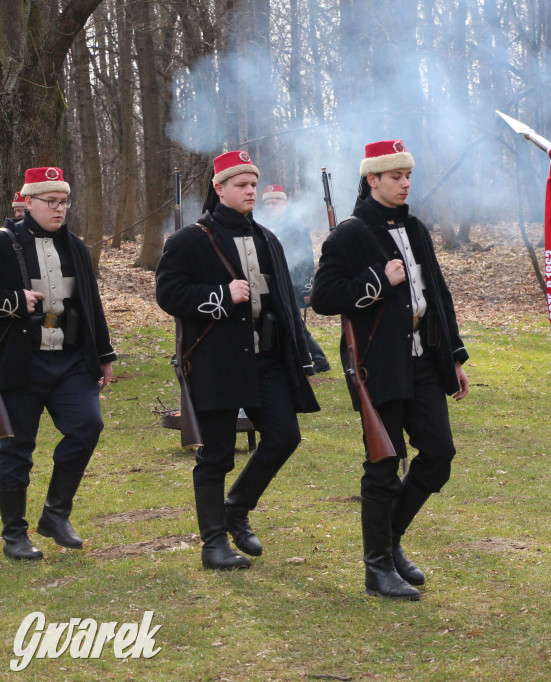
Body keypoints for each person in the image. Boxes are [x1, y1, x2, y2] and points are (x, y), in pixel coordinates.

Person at [311, 139, 469, 601]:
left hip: (424, 358)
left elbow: (437, 293)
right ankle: (377, 567)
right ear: (372, 179)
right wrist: (380, 280)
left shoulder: (415, 228)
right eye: (396, 176)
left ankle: (390, 538)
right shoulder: (349, 234)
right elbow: (323, 297)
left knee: (438, 454)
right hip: (377, 363)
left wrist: (454, 355)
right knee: (383, 464)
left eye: (408, 176)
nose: (405, 184)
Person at [155, 151, 320, 570]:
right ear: (219, 188)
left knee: (284, 437)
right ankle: (213, 543)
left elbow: (284, 303)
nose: (251, 191)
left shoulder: (267, 238)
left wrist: (300, 357)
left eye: (253, 184)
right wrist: (220, 295)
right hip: (216, 362)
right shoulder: (189, 240)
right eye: (241, 185)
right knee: (216, 455)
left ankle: (237, 508)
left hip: (267, 359)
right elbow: (169, 294)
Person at [0, 167, 116, 561]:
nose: (59, 209)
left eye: (63, 202)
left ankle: (55, 514)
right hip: (20, 361)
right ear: (27, 202)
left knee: (87, 425)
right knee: (16, 449)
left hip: (70, 358)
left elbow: (91, 303)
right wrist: (14, 301)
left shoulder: (76, 247)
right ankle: (15, 534)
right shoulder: (4, 243)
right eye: (50, 201)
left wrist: (104, 355)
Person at [260, 183, 330, 373]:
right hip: (270, 282)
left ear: (284, 204)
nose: (270, 207)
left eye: (275, 203)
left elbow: (306, 259)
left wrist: (307, 288)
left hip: (293, 282)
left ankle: (318, 359)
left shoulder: (297, 228)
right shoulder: (262, 226)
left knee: (293, 321)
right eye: (268, 203)